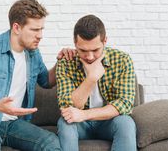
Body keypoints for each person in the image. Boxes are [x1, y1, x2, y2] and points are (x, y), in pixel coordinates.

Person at [0, 0, 75, 151]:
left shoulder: (32, 53)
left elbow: (46, 81)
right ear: (16, 27)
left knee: (50, 141)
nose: (40, 35)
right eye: (35, 30)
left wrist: (61, 62)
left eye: (41, 29)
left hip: (13, 124)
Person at [56, 14, 137, 151]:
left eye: (95, 50)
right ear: (75, 43)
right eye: (83, 50)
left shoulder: (122, 60)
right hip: (80, 125)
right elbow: (67, 105)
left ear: (105, 41)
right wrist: (91, 78)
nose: (89, 57)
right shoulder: (66, 62)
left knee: (126, 123)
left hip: (109, 123)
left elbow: (125, 103)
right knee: (65, 122)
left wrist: (85, 114)